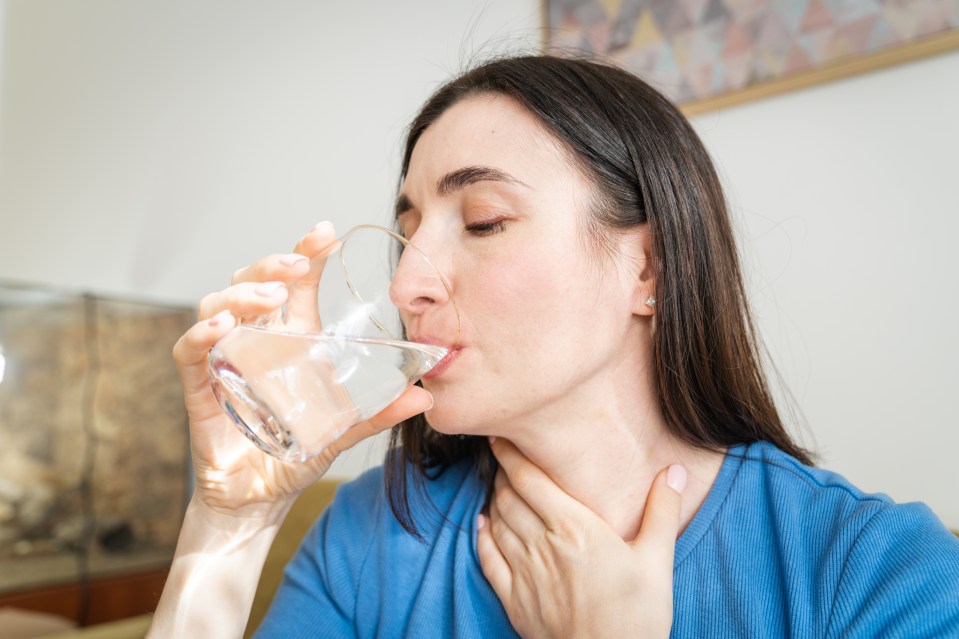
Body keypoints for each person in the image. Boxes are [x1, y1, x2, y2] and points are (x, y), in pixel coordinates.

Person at [149, 55, 959, 638]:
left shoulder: (875, 574)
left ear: (650, 268)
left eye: (484, 222)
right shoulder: (372, 535)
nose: (404, 288)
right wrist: (232, 521)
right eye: (407, 235)